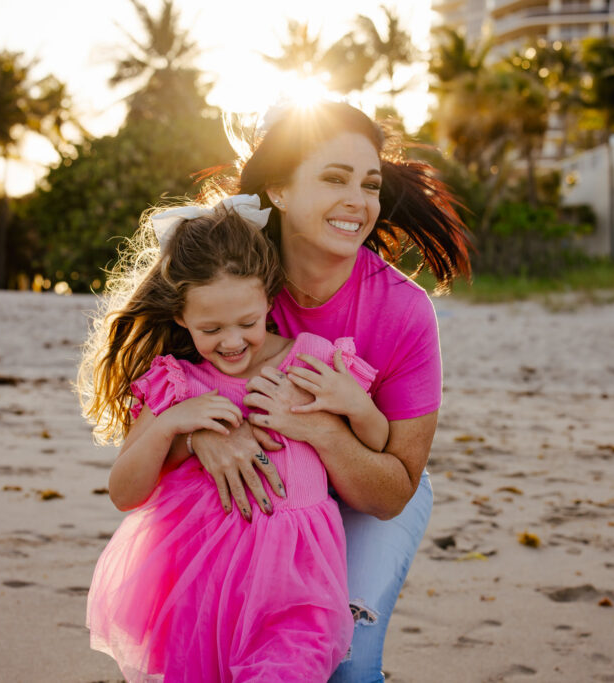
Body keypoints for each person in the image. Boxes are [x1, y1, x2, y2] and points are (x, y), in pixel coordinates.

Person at [185, 101, 472, 682]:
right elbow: (144, 381)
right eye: (334, 178)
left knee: (343, 661)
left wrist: (315, 427)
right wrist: (199, 435)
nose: (359, 201)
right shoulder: (225, 273)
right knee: (223, 650)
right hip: (264, 486)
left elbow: (394, 489)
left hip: (370, 491)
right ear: (281, 190)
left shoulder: (404, 311)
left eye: (369, 184)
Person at [78, 195, 391, 681]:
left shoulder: (313, 361)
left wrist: (353, 402)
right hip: (199, 590)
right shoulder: (175, 384)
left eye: (247, 323)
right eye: (210, 328)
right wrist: (171, 424)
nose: (231, 341)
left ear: (270, 296)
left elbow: (377, 439)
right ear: (180, 317)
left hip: (297, 584)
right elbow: (124, 492)